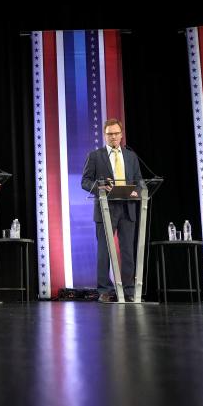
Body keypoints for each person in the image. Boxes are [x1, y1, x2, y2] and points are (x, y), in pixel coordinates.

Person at [80, 119, 142, 303]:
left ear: (121, 135)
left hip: (127, 207)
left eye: (116, 133)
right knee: (104, 251)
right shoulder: (95, 156)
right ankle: (105, 291)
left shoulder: (131, 156)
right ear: (105, 135)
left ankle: (129, 291)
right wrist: (99, 187)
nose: (113, 137)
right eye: (109, 134)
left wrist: (137, 190)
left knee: (128, 251)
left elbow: (139, 180)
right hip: (106, 208)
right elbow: (85, 181)